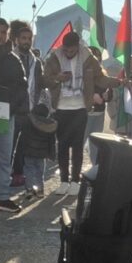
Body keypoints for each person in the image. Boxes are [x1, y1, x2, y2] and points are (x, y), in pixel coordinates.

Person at [44, 32, 118, 195]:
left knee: (77, 145)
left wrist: (118, 82)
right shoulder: (54, 58)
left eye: (72, 51)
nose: (69, 53)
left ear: (78, 46)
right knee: (62, 145)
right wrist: (58, 78)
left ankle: (75, 181)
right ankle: (64, 181)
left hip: (80, 108)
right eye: (66, 50)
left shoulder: (88, 58)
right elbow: (45, 79)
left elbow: (100, 79)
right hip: (61, 107)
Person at [0, 17, 28, 214]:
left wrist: (13, 107)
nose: (0, 36)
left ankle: (3, 196)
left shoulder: (13, 58)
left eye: (4, 32)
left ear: (8, 34)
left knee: (4, 158)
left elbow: (22, 86)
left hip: (6, 112)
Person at [9, 20, 43, 188]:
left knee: (23, 147)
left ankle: (18, 174)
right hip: (13, 110)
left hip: (29, 111)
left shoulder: (36, 62)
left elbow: (39, 84)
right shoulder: (10, 57)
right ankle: (4, 175)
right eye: (23, 38)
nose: (26, 41)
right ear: (16, 39)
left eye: (29, 38)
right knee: (8, 146)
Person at [15, 102, 56, 197]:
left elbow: (23, 138)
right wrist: (52, 154)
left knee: (28, 170)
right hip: (42, 154)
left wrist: (20, 151)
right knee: (40, 172)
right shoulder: (49, 125)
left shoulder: (28, 121)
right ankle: (40, 190)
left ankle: (29, 189)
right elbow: (52, 142)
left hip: (29, 152)